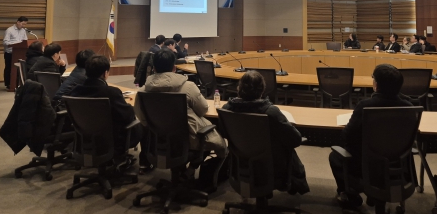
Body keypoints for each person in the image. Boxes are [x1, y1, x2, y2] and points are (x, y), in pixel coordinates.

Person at [134, 49, 227, 182]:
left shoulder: (142, 91)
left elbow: (142, 118)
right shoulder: (188, 87)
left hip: (157, 142)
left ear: (154, 69)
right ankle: (190, 171)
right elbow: (203, 110)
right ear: (174, 68)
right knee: (209, 132)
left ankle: (182, 173)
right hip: (188, 141)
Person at [329, 64, 413, 209]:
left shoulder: (365, 105)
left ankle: (350, 195)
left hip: (366, 166)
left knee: (335, 156)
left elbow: (347, 136)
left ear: (376, 84)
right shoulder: (409, 107)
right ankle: (374, 194)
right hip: (397, 164)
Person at [222, 71, 309, 195]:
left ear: (239, 88)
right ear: (262, 90)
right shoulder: (270, 112)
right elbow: (295, 140)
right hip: (270, 167)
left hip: (240, 163)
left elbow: (224, 133)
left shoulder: (227, 109)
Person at [69, 55, 143, 155]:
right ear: (105, 73)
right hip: (112, 140)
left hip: (84, 138)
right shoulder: (112, 93)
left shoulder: (75, 91)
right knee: (141, 124)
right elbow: (128, 115)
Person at [2, 16, 28, 89]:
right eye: (23, 24)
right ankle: (8, 84)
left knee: (19, 68)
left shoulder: (23, 31)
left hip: (19, 53)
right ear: (18, 22)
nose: (23, 26)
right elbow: (5, 42)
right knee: (9, 68)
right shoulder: (9, 30)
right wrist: (15, 44)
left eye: (25, 24)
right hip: (10, 53)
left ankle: (17, 83)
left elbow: (25, 41)